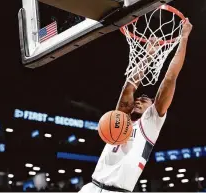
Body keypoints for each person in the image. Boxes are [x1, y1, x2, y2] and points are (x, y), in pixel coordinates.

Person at [79, 19, 193, 192]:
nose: (139, 100)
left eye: (146, 100)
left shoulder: (151, 122)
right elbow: (129, 87)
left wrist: (183, 37)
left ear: (153, 106)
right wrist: (148, 56)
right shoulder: (121, 118)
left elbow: (170, 77)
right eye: (138, 99)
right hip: (91, 187)